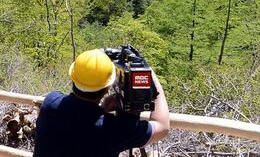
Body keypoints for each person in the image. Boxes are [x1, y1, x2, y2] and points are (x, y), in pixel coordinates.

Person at [33, 49, 171, 157]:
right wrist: (150, 76)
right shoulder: (114, 129)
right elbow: (162, 127)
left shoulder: (51, 103)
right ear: (107, 87)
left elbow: (80, 126)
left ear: (73, 77)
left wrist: (103, 108)